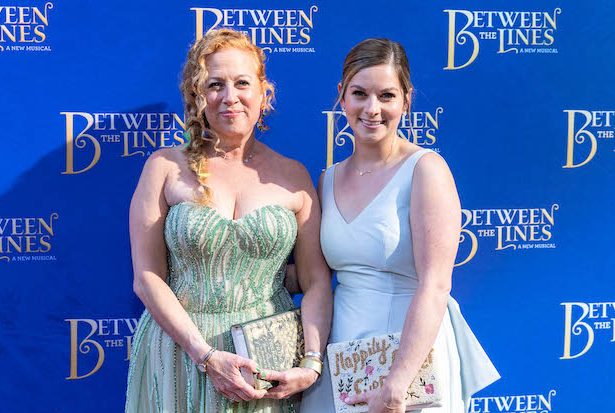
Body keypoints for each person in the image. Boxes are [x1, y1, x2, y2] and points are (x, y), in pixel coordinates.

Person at [125, 28, 332, 413]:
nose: (230, 97)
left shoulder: (293, 176)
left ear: (264, 93)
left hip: (267, 364)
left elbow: (315, 278)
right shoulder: (164, 168)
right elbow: (147, 277)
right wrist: (204, 356)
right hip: (180, 355)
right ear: (197, 95)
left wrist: (312, 364)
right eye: (215, 85)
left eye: (242, 83)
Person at [299, 38, 499, 413]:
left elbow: (436, 285)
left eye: (387, 95)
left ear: (407, 100)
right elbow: (315, 277)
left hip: (410, 363)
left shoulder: (426, 170)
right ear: (341, 97)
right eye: (360, 93)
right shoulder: (326, 179)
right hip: (343, 359)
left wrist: (397, 383)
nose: (372, 109)